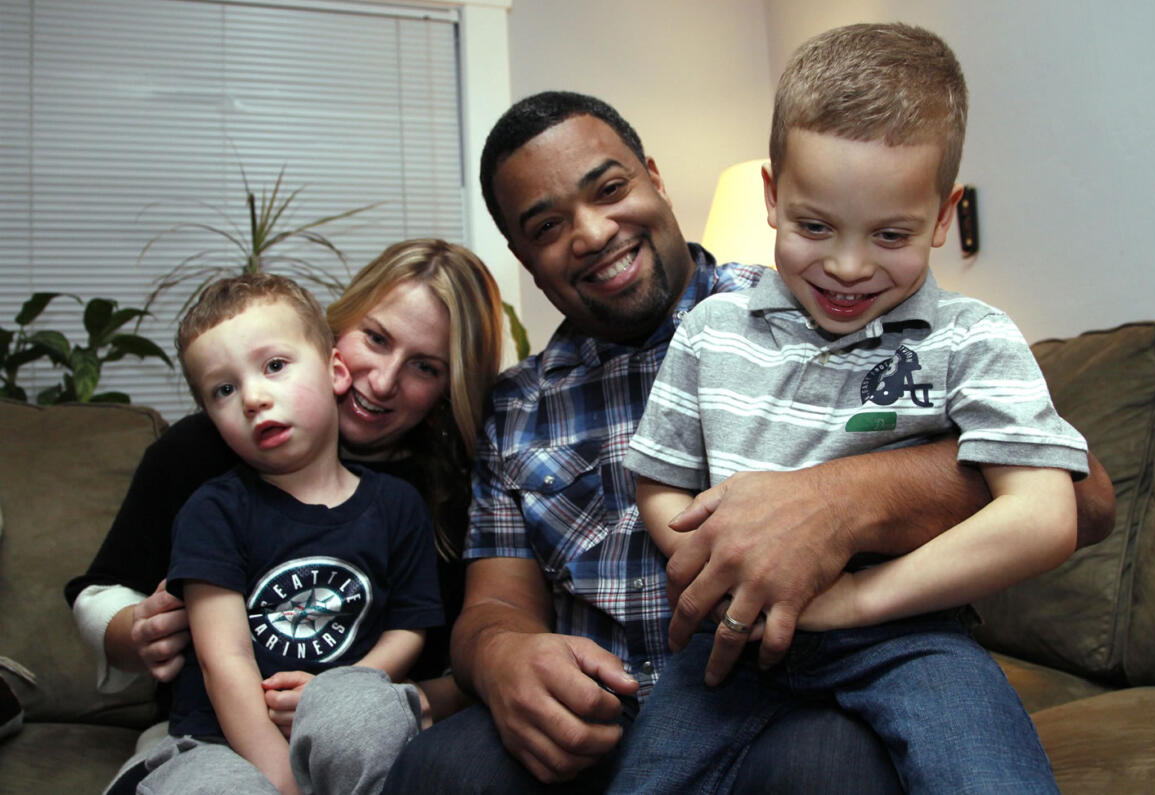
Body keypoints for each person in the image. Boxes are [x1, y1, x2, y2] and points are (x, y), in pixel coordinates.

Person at [378, 91, 1115, 792]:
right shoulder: (518, 404)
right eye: (546, 226)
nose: (593, 231)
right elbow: (493, 603)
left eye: (609, 189)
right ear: (522, 256)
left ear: (655, 180)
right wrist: (503, 655)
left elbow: (1082, 497)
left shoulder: (821, 299)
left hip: (789, 686)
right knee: (441, 770)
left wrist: (840, 499)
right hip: (607, 711)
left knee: (828, 764)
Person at [612, 23, 1078, 793]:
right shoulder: (711, 330)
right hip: (732, 639)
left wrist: (858, 598)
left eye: (891, 234)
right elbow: (660, 482)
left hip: (911, 636)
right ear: (771, 197)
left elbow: (1046, 514)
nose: (849, 266)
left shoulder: (973, 337)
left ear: (941, 214)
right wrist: (718, 566)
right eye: (815, 225)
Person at [65, 239, 503, 772]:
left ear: (449, 387)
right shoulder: (206, 452)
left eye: (425, 367)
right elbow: (100, 593)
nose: (383, 381)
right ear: (335, 341)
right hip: (210, 736)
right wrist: (135, 631)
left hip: (363, 729)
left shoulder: (441, 494)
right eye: (376, 338)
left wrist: (356, 699)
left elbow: (465, 670)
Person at [122, 273, 441, 794]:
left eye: (274, 366)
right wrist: (282, 782)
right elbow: (222, 659)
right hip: (220, 741)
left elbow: (409, 627)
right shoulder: (213, 510)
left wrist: (338, 689)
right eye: (224, 390)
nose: (252, 397)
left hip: (343, 722)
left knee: (369, 716)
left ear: (336, 370)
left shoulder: (397, 505)